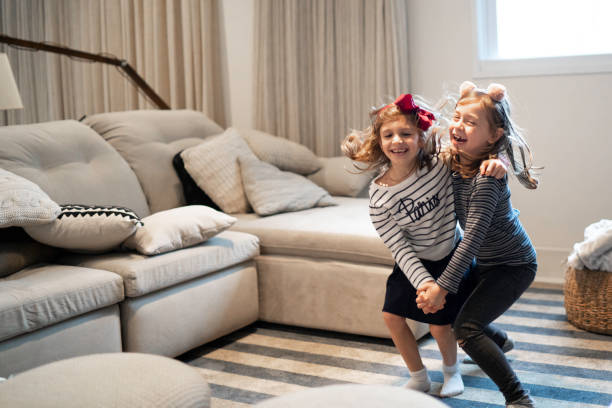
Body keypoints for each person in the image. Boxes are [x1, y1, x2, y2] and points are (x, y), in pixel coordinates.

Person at [341, 93, 506, 397]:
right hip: (414, 263)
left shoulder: (440, 164)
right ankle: (418, 376)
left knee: (440, 325)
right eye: (388, 135)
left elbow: (476, 154)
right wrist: (425, 283)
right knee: (391, 316)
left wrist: (499, 163)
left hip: (450, 256)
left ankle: (451, 372)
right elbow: (399, 247)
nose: (397, 141)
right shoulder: (378, 197)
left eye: (406, 133)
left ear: (420, 137)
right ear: (379, 141)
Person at [416, 81, 539, 408]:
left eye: (470, 122)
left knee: (467, 330)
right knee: (464, 313)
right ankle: (500, 341)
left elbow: (470, 239)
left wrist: (442, 287)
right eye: (457, 117)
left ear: (494, 135)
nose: (458, 125)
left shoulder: (487, 178)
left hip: (513, 265)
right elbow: (422, 147)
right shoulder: (454, 161)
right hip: (487, 260)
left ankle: (518, 398)